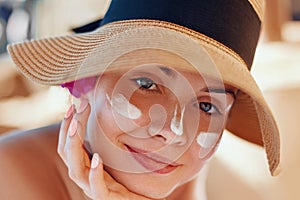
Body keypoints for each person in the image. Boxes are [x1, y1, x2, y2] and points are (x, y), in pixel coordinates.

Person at [0, 0, 281, 199]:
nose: (174, 132)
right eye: (147, 84)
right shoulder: (9, 172)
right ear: (88, 79)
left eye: (206, 106)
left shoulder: (178, 172)